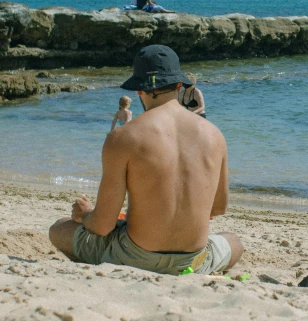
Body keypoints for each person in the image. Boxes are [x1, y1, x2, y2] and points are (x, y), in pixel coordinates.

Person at [49, 44, 243, 276]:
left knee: (58, 229)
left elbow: (102, 225)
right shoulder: (214, 135)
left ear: (139, 90)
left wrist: (85, 214)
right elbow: (218, 207)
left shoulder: (123, 137)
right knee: (233, 242)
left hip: (136, 258)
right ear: (180, 86)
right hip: (194, 261)